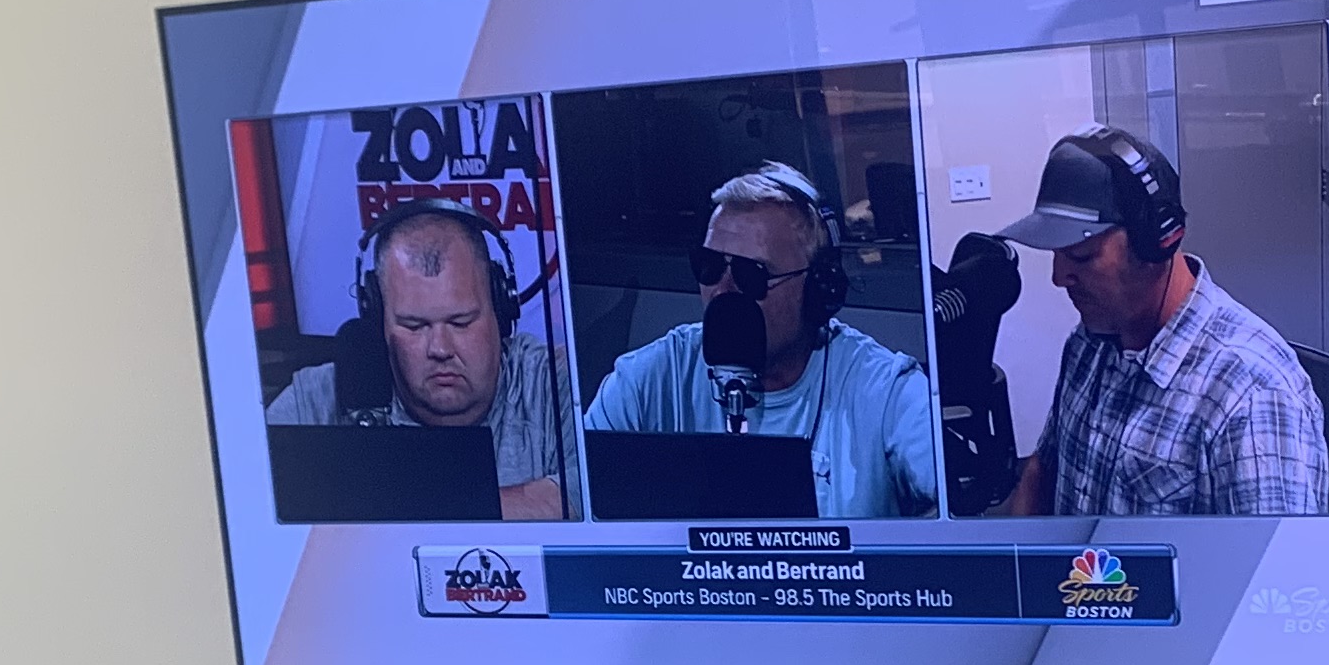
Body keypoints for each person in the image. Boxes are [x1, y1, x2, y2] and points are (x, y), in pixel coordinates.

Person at [996, 128, 1329, 518]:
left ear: (1157, 244)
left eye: (1082, 256)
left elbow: (1272, 573)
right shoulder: (1088, 343)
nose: (1059, 277)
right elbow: (1042, 469)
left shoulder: (1251, 398)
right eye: (1057, 255)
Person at [579, 163, 942, 519]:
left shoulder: (883, 389)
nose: (723, 290)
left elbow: (975, 518)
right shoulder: (651, 378)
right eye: (710, 266)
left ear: (817, 289)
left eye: (750, 274)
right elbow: (573, 497)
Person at [265, 197, 570, 519]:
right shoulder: (317, 400)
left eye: (461, 322)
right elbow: (237, 499)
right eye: (415, 325)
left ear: (501, 308)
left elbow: (590, 499)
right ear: (378, 321)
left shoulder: (553, 387)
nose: (440, 348)